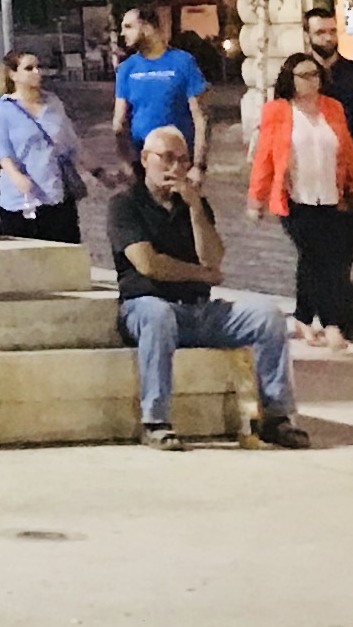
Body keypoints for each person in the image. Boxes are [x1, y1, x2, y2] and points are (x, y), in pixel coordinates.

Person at [111, 123, 306, 448]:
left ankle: (276, 416)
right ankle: (155, 420)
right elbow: (148, 264)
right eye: (167, 158)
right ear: (145, 159)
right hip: (145, 305)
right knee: (158, 316)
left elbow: (213, 259)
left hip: (198, 310)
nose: (175, 167)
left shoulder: (195, 205)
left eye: (182, 160)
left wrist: (195, 208)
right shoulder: (125, 204)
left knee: (267, 316)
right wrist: (201, 275)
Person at [248, 46, 353, 346]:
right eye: (303, 75)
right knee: (319, 258)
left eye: (315, 74)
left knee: (317, 260)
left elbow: (347, 150)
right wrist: (256, 199)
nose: (311, 80)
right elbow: (265, 158)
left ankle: (303, 318)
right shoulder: (277, 111)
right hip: (296, 199)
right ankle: (331, 324)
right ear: (290, 79)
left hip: (330, 196)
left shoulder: (333, 108)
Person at [0, 48, 83, 244]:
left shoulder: (53, 103)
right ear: (13, 74)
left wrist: (97, 171)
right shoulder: (1, 108)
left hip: (55, 194)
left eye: (38, 67)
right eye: (29, 68)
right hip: (20, 200)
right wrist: (15, 176)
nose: (37, 72)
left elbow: (70, 143)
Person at [108, 3, 209, 186]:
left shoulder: (183, 62)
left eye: (129, 27)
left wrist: (198, 165)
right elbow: (119, 123)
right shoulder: (126, 68)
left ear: (148, 27)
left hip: (178, 163)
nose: (123, 33)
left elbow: (201, 117)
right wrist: (126, 163)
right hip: (142, 163)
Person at [299, 1, 353, 188]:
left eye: (332, 31)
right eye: (320, 33)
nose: (328, 38)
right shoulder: (297, 76)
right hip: (308, 175)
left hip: (348, 173)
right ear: (307, 36)